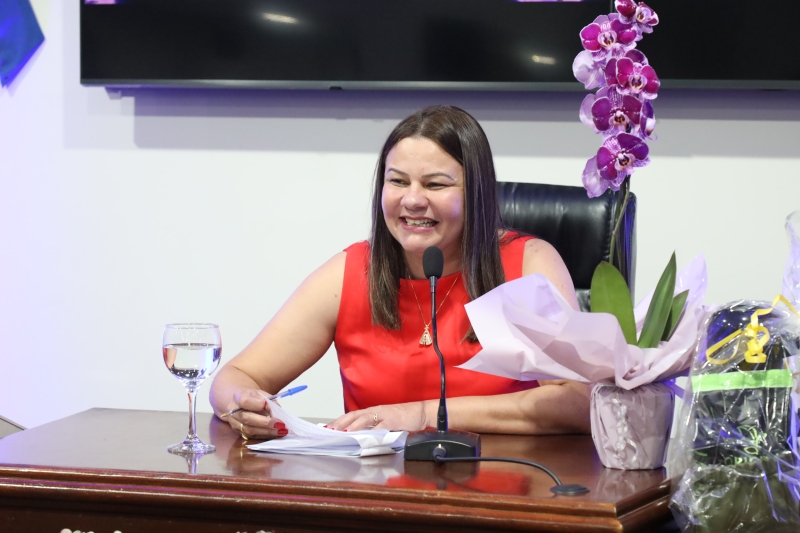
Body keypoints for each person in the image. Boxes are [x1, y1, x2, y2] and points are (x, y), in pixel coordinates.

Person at [209, 105, 590, 440]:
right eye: (398, 181)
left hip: (505, 491)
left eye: (435, 184)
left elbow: (578, 401)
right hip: (379, 498)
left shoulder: (528, 265)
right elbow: (236, 376)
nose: (411, 200)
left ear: (476, 192)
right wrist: (243, 405)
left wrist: (424, 415)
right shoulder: (350, 272)